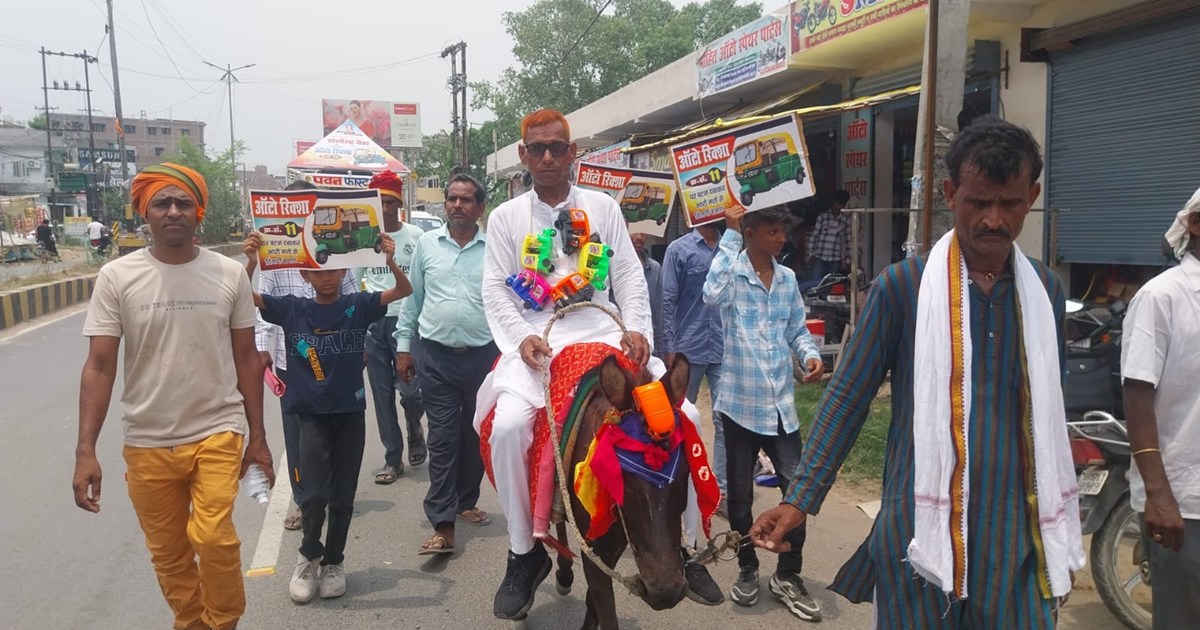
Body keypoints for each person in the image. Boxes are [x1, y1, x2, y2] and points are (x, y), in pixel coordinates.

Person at [751, 116, 1085, 628]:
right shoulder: (903, 288)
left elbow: (1050, 410)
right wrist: (799, 500)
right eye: (979, 202)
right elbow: (847, 399)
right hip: (919, 535)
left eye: (1011, 204)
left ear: (1032, 196)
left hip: (1015, 538)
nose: (994, 220)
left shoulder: (1044, 290)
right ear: (951, 194)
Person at [478, 109, 723, 620]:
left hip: (604, 334)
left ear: (573, 153)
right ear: (523, 156)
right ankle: (524, 554)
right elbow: (497, 291)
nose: (547, 157)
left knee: (688, 419)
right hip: (539, 344)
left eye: (557, 147)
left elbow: (631, 277)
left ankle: (686, 546)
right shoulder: (505, 218)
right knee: (508, 429)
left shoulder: (604, 207)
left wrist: (636, 329)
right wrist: (522, 339)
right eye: (536, 149)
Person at [73, 163, 273, 630]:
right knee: (169, 555)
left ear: (198, 212)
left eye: (183, 202)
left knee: (214, 537)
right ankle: (192, 623)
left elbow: (247, 359)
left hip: (217, 431)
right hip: (146, 440)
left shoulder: (229, 274)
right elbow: (99, 366)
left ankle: (223, 622)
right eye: (162, 202)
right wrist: (85, 451)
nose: (173, 211)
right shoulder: (117, 277)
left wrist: (258, 439)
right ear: (146, 212)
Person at [244, 230, 411, 604]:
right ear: (305, 276)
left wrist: (389, 260)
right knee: (315, 494)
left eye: (333, 270)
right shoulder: (291, 308)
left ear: (343, 273)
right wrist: (252, 262)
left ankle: (333, 562)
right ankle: (307, 556)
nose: (326, 276)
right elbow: (241, 296)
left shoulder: (359, 304)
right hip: (311, 416)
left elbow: (403, 291)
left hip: (350, 413)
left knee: (343, 497)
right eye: (317, 271)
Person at [702, 204, 825, 621]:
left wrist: (809, 355)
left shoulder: (787, 279)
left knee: (798, 494)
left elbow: (796, 328)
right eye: (772, 231)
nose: (781, 239)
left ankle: (788, 575)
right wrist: (730, 233)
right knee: (739, 500)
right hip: (739, 407)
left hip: (781, 410)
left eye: (781, 232)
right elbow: (709, 294)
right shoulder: (732, 276)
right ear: (751, 233)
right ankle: (748, 568)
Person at [396, 173, 496, 556]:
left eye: (466, 199)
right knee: (442, 437)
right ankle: (442, 522)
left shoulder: (494, 248)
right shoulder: (426, 245)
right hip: (435, 356)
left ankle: (467, 500)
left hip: (484, 357)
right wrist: (404, 347)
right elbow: (412, 297)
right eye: (451, 198)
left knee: (475, 434)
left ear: (480, 207)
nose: (457, 205)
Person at [255, 180, 359, 531]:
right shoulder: (273, 257)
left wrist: (356, 346)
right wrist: (262, 351)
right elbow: (259, 305)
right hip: (291, 364)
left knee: (337, 434)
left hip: (335, 362)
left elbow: (352, 300)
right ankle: (303, 501)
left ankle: (332, 495)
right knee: (298, 437)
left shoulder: (337, 250)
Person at [1121, 186, 1200, 629]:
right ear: (1196, 225)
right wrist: (1158, 494)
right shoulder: (1161, 297)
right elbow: (1136, 394)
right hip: (1186, 505)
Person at [359, 170, 427, 485]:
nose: (385, 209)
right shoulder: (362, 239)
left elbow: (422, 283)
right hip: (374, 322)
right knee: (382, 395)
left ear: (399, 204)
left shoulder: (416, 238)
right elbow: (353, 285)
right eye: (379, 202)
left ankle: (415, 429)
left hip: (408, 323)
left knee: (412, 393)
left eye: (391, 202)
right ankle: (392, 459)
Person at [661, 221, 727, 509]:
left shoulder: (731, 247)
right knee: (679, 419)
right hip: (688, 348)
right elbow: (667, 300)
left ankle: (720, 492)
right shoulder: (679, 250)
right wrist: (669, 348)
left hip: (725, 347)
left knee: (724, 420)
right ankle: (678, 483)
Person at [627, 232, 666, 358]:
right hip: (623, 344)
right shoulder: (610, 268)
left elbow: (659, 314)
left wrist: (662, 350)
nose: (639, 237)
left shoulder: (655, 269)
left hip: (650, 345)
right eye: (634, 231)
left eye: (643, 233)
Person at [806, 190, 851, 281]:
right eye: (838, 203)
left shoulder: (845, 220)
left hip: (835, 259)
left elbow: (848, 241)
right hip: (819, 257)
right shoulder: (822, 217)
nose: (839, 206)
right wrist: (811, 253)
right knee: (816, 284)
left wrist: (848, 260)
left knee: (832, 286)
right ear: (834, 203)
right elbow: (814, 236)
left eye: (842, 204)